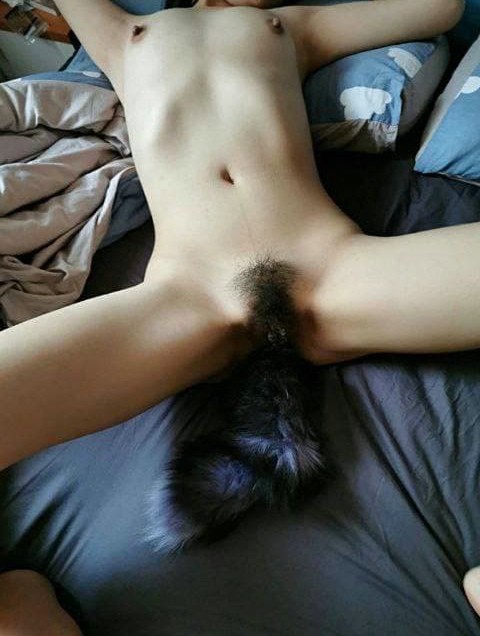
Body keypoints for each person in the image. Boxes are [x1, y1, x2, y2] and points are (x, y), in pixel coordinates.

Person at [2, 0, 479, 632]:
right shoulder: (123, 34)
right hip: (187, 296)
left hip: (332, 270)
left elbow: (440, 9)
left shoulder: (291, 26)